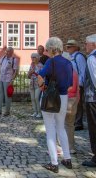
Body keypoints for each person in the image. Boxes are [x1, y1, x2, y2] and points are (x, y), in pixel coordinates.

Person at [38, 37, 73, 173]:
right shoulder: (68, 63)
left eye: (47, 49)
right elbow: (70, 83)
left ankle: (54, 163)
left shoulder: (51, 62)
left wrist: (42, 86)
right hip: (63, 96)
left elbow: (40, 76)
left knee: (50, 131)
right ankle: (68, 158)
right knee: (61, 127)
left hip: (50, 97)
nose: (47, 52)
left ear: (52, 49)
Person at [65, 39, 87, 131]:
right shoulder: (71, 56)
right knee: (73, 103)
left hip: (78, 84)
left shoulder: (78, 57)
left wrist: (80, 85)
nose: (67, 48)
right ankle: (74, 121)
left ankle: (78, 123)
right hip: (72, 84)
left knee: (78, 104)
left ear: (75, 47)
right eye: (67, 46)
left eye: (70, 46)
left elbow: (83, 71)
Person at [82, 34, 96, 167]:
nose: (85, 46)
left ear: (93, 45)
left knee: (93, 127)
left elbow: (94, 79)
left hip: (92, 98)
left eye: (86, 43)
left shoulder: (91, 58)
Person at [0, 47, 17, 116]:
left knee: (7, 95)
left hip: (8, 79)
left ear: (12, 52)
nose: (6, 53)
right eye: (6, 51)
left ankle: (7, 111)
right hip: (1, 78)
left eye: (8, 51)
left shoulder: (14, 60)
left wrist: (12, 80)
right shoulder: (3, 58)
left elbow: (15, 71)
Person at [65, 68, 79, 155]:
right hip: (74, 99)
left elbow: (72, 88)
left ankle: (63, 147)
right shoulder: (74, 72)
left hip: (67, 99)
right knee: (70, 125)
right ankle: (71, 147)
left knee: (62, 124)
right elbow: (76, 88)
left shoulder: (65, 72)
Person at [27, 53, 43, 118]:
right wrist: (30, 73)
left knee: (37, 98)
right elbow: (28, 76)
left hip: (38, 84)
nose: (32, 59)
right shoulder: (32, 65)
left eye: (34, 57)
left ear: (37, 58)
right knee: (32, 99)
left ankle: (40, 112)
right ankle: (35, 112)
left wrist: (34, 73)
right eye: (31, 57)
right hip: (32, 84)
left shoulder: (41, 65)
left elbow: (42, 75)